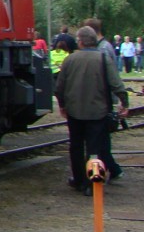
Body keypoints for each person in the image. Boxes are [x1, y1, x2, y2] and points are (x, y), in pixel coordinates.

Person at [55, 26, 130, 194]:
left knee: (75, 146)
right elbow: (116, 84)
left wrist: (62, 105)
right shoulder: (103, 59)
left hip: (74, 110)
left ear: (80, 41)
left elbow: (59, 87)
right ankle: (93, 182)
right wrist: (124, 103)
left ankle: (79, 179)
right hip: (98, 111)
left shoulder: (70, 59)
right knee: (94, 148)